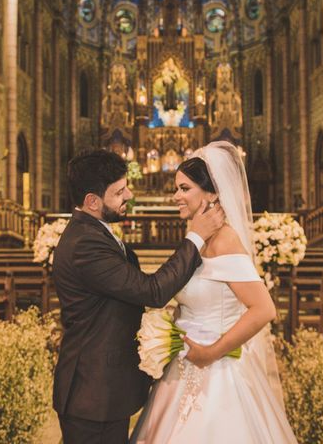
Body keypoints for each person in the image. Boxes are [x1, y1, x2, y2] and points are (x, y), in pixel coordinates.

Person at [51, 149, 225, 444]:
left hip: (102, 391)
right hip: (92, 395)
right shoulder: (85, 244)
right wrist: (195, 237)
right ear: (93, 202)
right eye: (119, 191)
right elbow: (152, 291)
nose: (129, 194)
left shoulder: (95, 230)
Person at [131, 141, 298, 443]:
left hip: (219, 371)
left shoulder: (224, 240)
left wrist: (211, 352)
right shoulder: (197, 238)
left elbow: (264, 310)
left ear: (211, 193)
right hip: (183, 366)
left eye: (184, 188)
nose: (176, 196)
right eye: (176, 188)